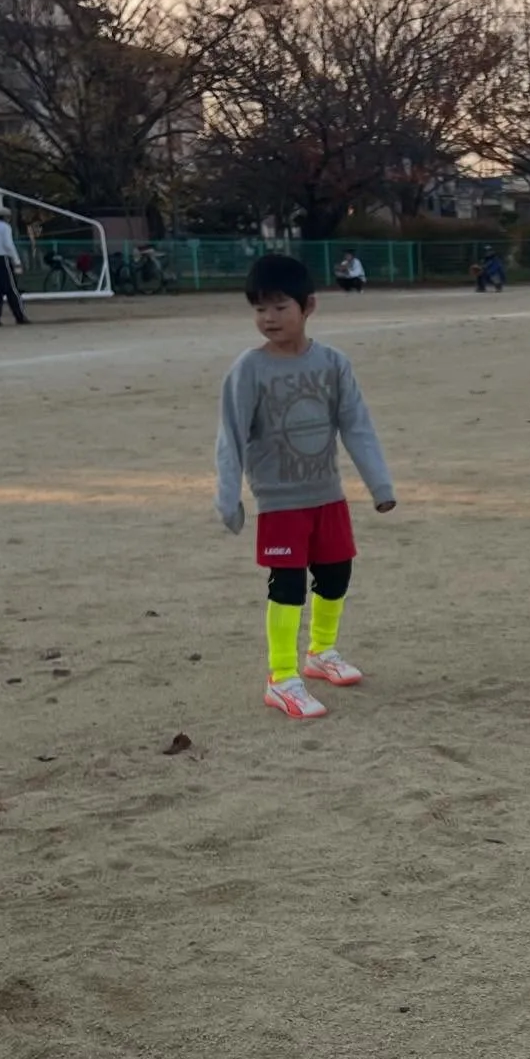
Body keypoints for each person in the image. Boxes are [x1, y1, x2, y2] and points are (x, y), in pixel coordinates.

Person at [214, 252, 397, 721]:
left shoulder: (333, 364)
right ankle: (281, 677)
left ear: (308, 305)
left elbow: (356, 425)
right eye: (260, 308)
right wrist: (228, 496)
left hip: (327, 496)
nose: (269, 318)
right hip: (280, 502)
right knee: (288, 586)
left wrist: (380, 485)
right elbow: (230, 435)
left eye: (280, 306)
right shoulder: (249, 369)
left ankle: (321, 652)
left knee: (336, 575)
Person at [0, 205, 28, 327]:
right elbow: (8, 244)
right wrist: (16, 260)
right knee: (11, 289)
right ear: (6, 217)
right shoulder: (5, 227)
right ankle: (19, 316)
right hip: (2, 258)